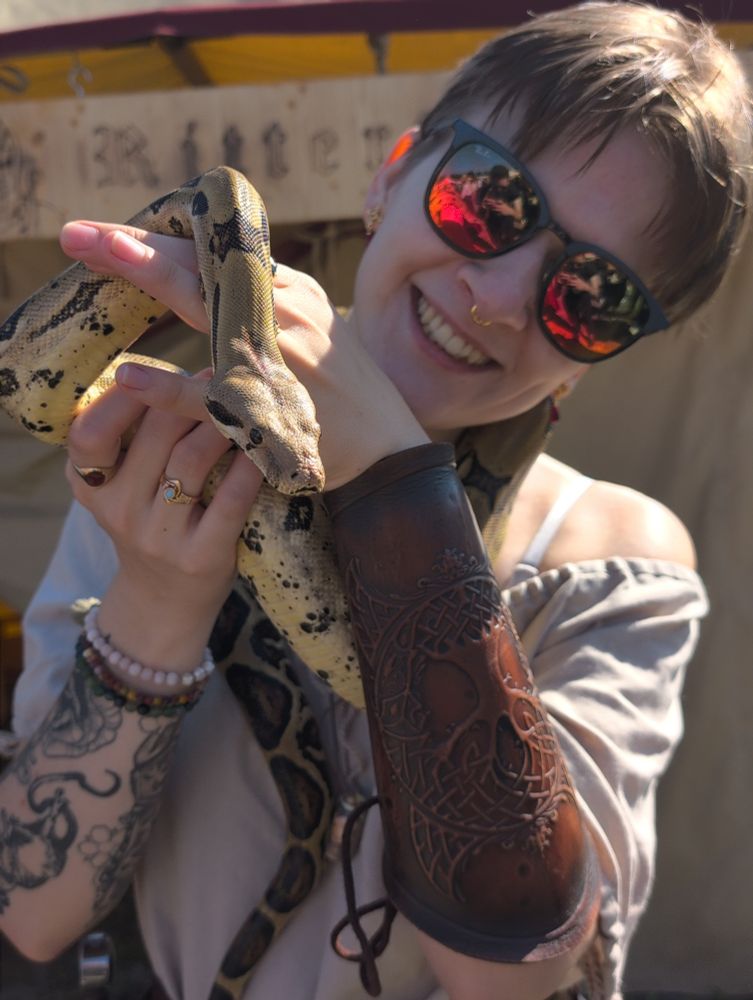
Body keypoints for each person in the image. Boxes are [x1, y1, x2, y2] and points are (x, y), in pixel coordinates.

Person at [0, 3, 750, 998]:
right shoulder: (167, 461)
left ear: (596, 359)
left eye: (591, 297)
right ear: (391, 174)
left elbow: (515, 980)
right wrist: (159, 598)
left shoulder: (609, 562)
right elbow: (32, 912)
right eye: (488, 204)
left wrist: (389, 465)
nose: (500, 297)